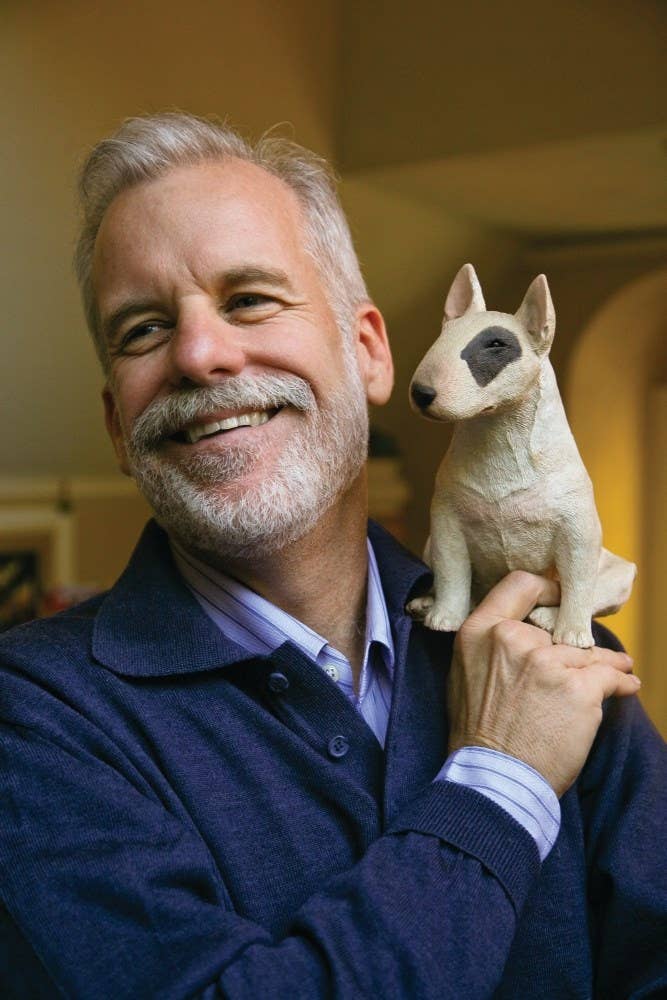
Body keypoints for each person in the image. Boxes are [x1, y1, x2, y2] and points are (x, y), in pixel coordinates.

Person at [0, 113, 664, 999]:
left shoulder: (553, 655)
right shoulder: (33, 720)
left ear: (369, 354)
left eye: (247, 300)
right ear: (119, 427)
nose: (200, 354)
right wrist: (499, 783)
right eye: (143, 331)